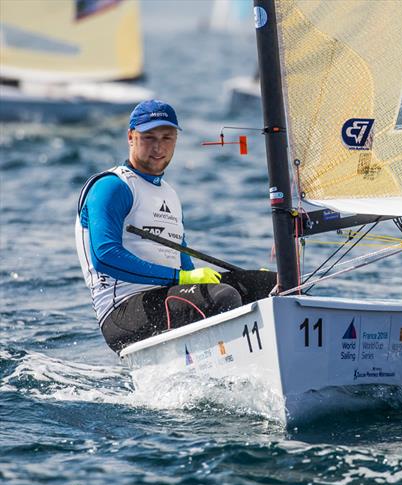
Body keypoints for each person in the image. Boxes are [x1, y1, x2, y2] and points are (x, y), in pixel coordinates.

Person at [75, 99, 274, 352]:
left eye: (167, 138)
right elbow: (104, 256)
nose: (158, 147)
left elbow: (184, 263)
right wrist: (180, 277)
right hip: (122, 312)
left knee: (270, 284)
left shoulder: (169, 194)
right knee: (223, 298)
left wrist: (242, 279)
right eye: (149, 137)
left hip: (167, 294)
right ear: (130, 137)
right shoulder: (112, 187)